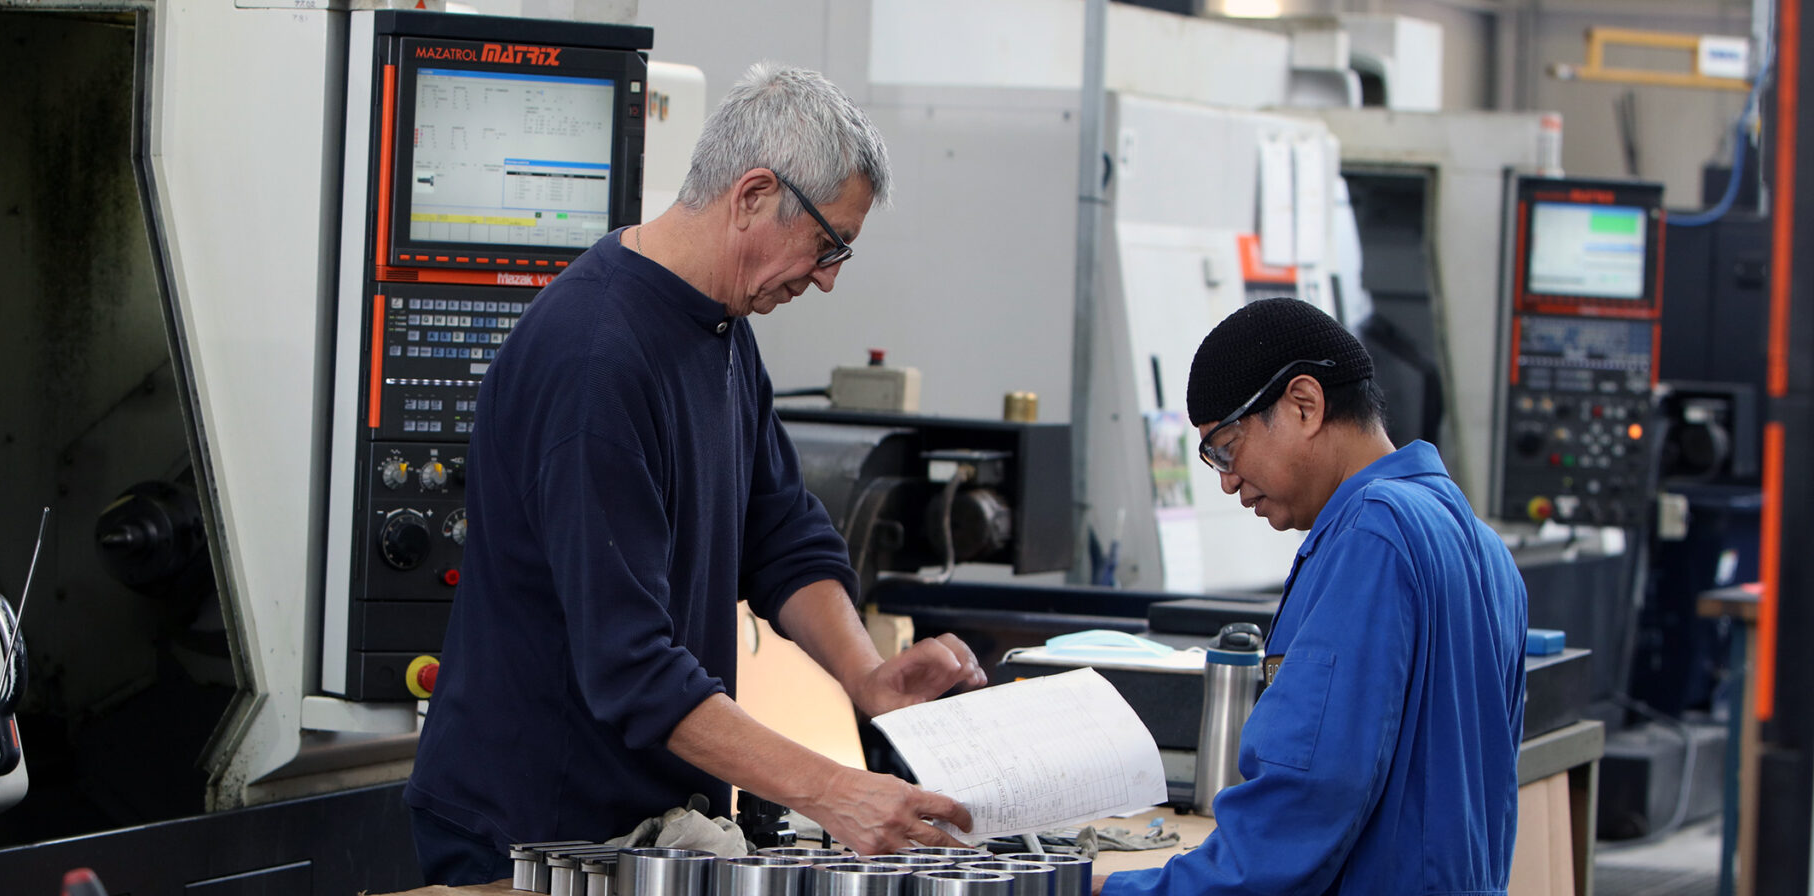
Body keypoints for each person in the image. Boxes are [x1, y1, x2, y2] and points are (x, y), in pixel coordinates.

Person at [403, 63, 987, 885]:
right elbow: (631, 667)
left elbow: (782, 534)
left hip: (644, 825)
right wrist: (833, 792)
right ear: (752, 195)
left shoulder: (718, 329)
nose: (827, 278)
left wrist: (868, 677)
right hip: (533, 830)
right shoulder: (593, 359)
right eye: (828, 246)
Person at [1098, 298, 1528, 895]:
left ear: (1304, 405)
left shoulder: (1374, 534)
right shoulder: (1480, 545)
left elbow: (1304, 803)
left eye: (1225, 446)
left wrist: (1122, 892)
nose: (1225, 480)